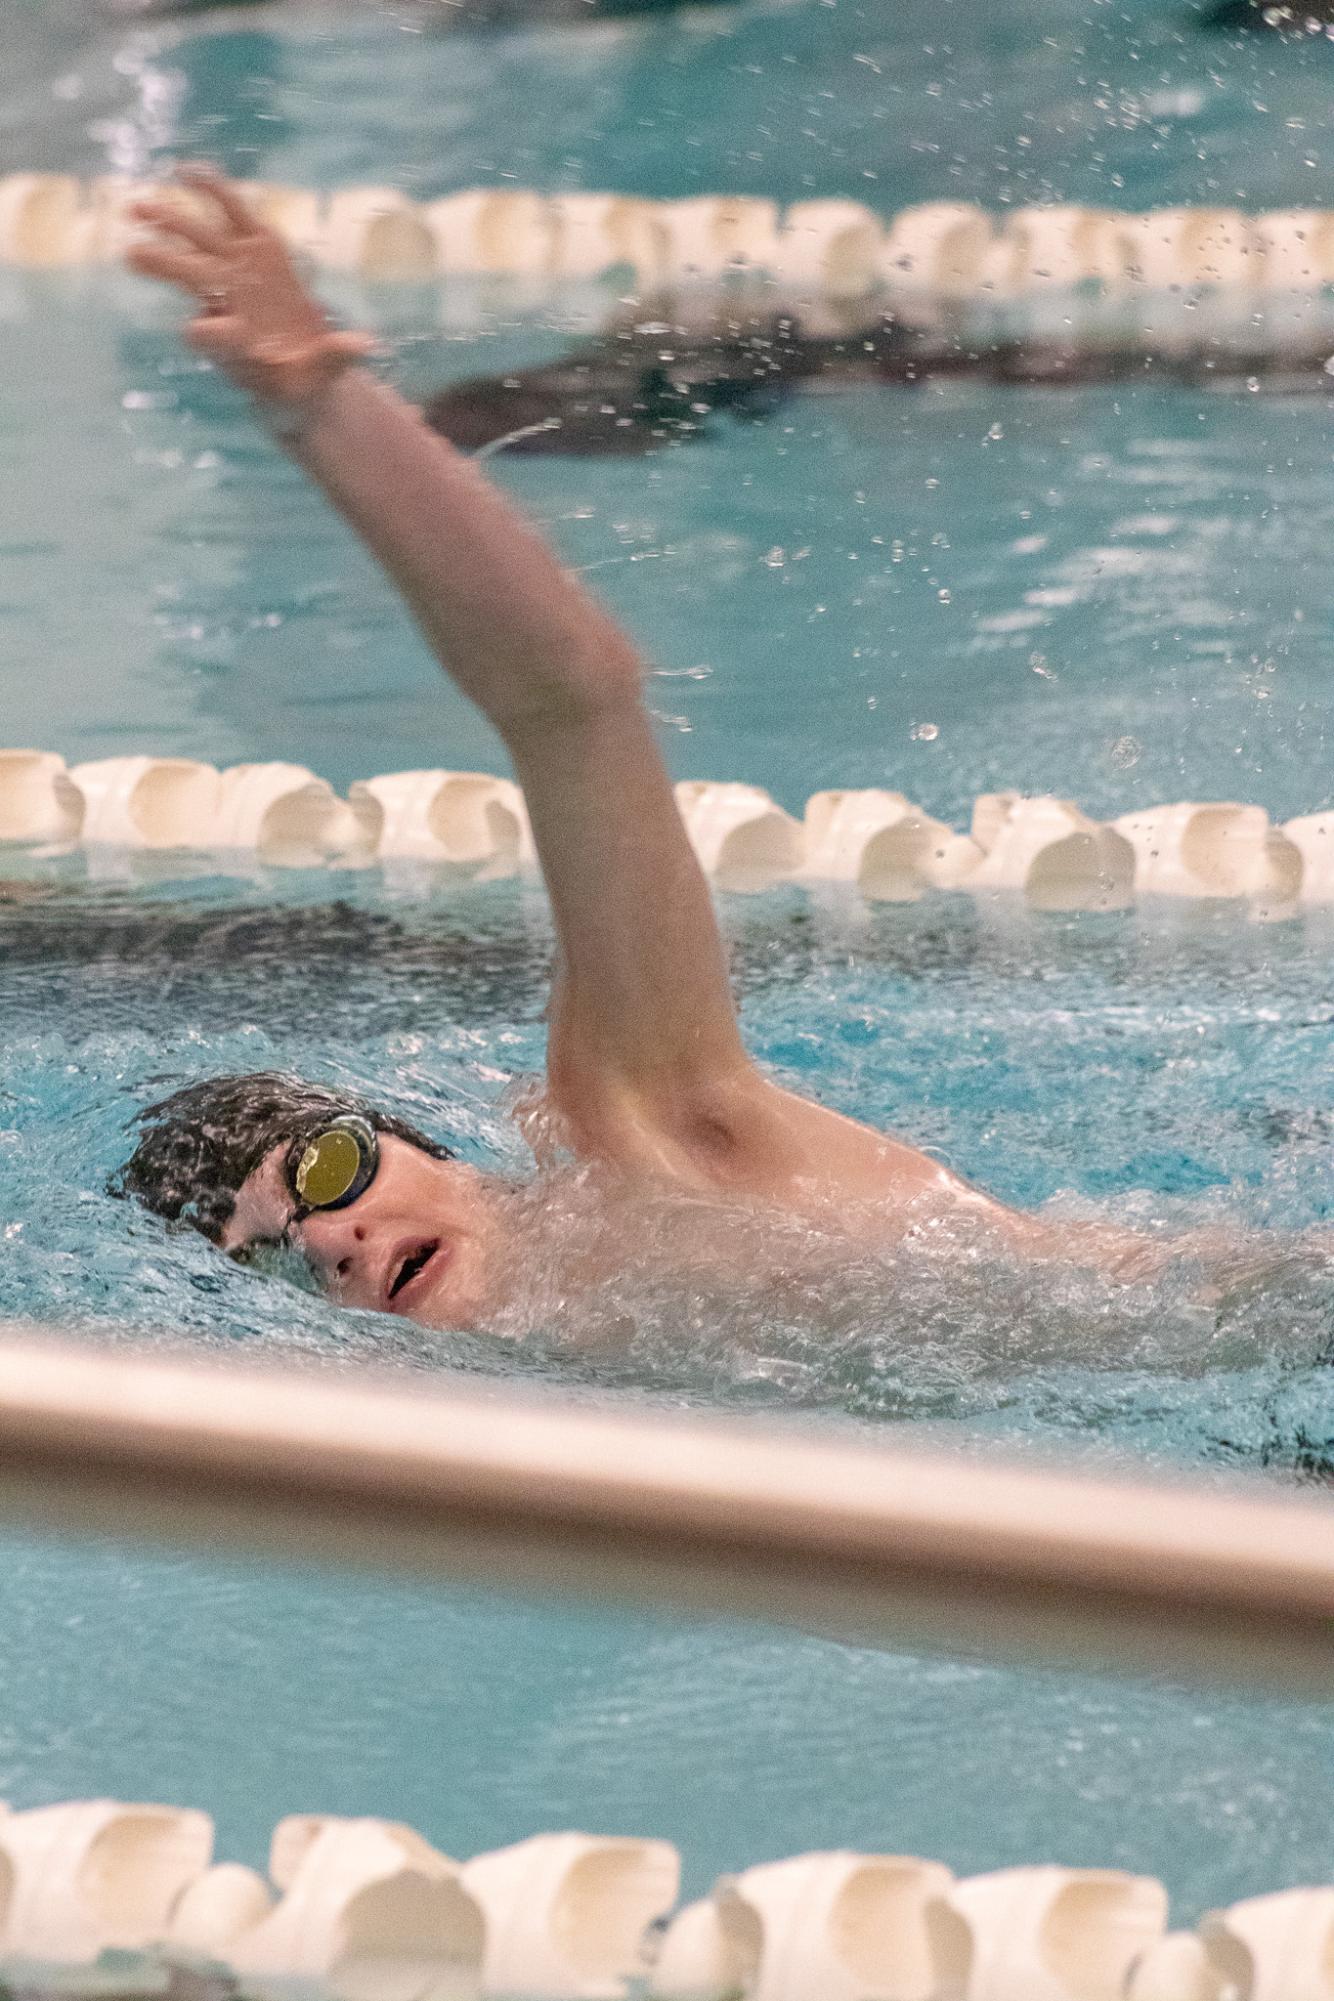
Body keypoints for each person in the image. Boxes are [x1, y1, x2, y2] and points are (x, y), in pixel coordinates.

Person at [117, 167, 1170, 1334]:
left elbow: (573, 697)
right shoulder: (541, 1384)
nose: (328, 1242)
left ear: (422, 1147)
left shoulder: (645, 1132)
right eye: (269, 1257)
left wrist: (321, 407)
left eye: (324, 1174)